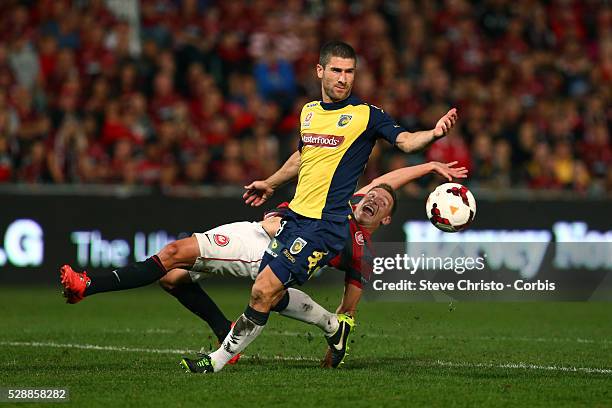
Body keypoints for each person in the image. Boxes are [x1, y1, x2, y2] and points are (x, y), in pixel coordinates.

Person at [181, 40, 458, 373]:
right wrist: (270, 182)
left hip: (325, 226)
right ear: (320, 71)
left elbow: (405, 140)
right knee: (272, 293)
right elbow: (302, 157)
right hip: (293, 218)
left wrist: (433, 134)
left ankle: (215, 362)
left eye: (350, 72)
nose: (343, 79)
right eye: (337, 71)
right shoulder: (308, 112)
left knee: (262, 289)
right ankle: (332, 326)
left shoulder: (366, 115)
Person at [60, 161, 466, 367]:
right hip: (264, 239)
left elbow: (351, 303)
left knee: (172, 254)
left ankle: (87, 286)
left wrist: (341, 332)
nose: (375, 198)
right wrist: (430, 166)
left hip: (263, 245)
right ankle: (225, 335)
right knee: (172, 278)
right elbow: (390, 178)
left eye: (383, 203)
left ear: (386, 220)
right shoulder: (343, 202)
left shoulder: (357, 246)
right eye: (373, 195)